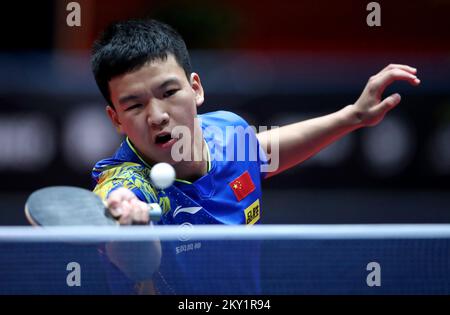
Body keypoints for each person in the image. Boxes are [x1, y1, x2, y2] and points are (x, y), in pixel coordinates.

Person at [90, 19, 420, 294]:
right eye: (134, 105)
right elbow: (134, 257)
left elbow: (262, 151)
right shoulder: (125, 183)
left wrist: (352, 117)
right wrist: (130, 224)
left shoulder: (229, 132)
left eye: (169, 92)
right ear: (116, 118)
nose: (157, 115)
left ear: (196, 89)